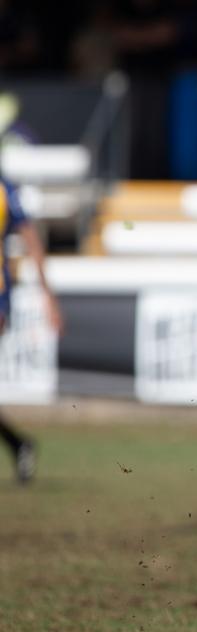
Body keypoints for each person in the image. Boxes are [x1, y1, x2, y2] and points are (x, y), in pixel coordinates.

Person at [0, 176, 62, 484]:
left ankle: (19, 444)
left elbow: (30, 236)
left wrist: (47, 294)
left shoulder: (4, 189)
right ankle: (18, 444)